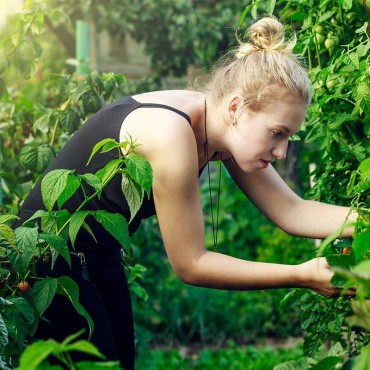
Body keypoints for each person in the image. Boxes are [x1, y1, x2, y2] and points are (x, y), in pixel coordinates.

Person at [15, 17, 357, 370]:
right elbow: (191, 264)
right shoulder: (171, 134)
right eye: (277, 133)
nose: (282, 151)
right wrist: (302, 274)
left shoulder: (223, 128)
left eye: (288, 137)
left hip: (100, 258)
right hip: (48, 261)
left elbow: (292, 211)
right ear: (237, 107)